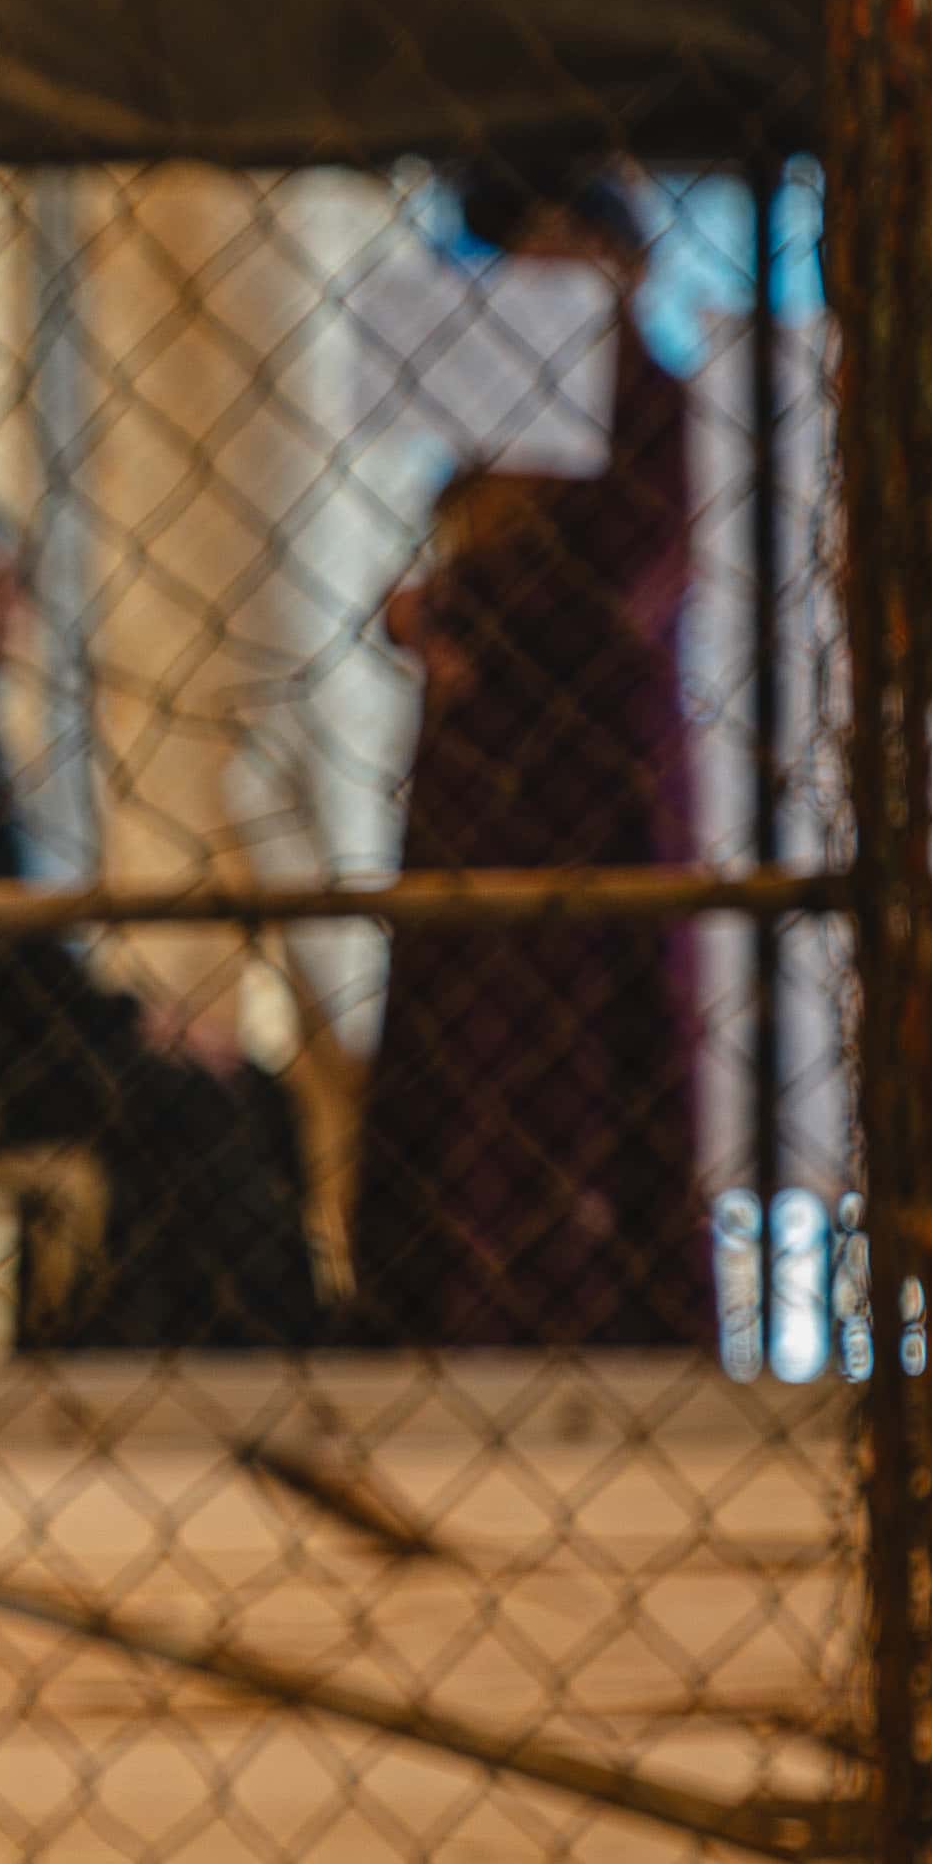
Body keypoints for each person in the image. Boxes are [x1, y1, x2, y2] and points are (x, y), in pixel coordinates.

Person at [0, 494, 326, 1351]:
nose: (13, 618)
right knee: (199, 1101)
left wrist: (131, 1021)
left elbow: (17, 951)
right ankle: (219, 1343)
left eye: (14, 591)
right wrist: (133, 1024)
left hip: (5, 1035)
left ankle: (251, 1333)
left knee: (251, 1088)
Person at [360, 162, 710, 1350]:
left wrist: (459, 610)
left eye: (558, 252)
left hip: (588, 791)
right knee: (472, 1058)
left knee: (586, 1066)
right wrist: (434, 610)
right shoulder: (496, 414)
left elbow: (612, 590)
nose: (532, 281)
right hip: (483, 797)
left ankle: (598, 1324)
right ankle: (451, 1315)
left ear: (619, 265)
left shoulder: (652, 401)